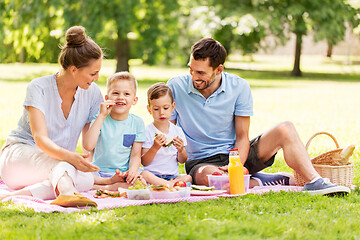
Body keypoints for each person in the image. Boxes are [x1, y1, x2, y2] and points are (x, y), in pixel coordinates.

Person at [167, 38, 350, 195]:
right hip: (203, 162)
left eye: (200, 73)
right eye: (191, 69)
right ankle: (263, 181)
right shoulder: (175, 86)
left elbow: (242, 136)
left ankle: (315, 182)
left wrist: (236, 165)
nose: (193, 77)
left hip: (237, 155)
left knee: (285, 128)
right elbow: (168, 131)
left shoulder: (239, 87)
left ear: (219, 70)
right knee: (216, 181)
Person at [0, 26, 105, 207]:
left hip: (59, 165)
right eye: (93, 73)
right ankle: (67, 192)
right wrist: (71, 158)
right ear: (74, 69)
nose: (96, 78)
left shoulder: (92, 93)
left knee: (86, 179)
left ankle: (15, 196)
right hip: (20, 158)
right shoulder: (38, 87)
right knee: (66, 168)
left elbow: (88, 144)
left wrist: (102, 116)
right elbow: (39, 139)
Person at [83, 71, 146, 190]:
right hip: (99, 172)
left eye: (127, 94)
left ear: (134, 100)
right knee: (81, 176)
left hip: (123, 173)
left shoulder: (137, 122)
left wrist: (132, 171)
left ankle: (104, 187)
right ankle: (109, 185)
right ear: (107, 98)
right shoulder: (99, 118)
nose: (121, 97)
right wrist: (101, 116)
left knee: (142, 180)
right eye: (116, 93)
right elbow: (88, 146)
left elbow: (136, 155)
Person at [140, 83, 192, 186]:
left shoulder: (177, 131)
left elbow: (182, 160)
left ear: (173, 107)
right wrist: (155, 147)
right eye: (156, 109)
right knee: (144, 174)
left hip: (172, 176)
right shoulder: (147, 131)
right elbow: (144, 162)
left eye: (165, 108)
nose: (161, 113)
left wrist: (181, 150)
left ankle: (168, 184)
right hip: (153, 176)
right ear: (149, 109)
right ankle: (170, 185)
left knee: (188, 177)